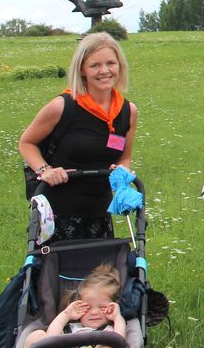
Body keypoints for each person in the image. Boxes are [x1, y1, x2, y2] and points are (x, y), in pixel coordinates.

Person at [19, 32, 138, 241]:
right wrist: (45, 170)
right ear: (82, 69)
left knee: (102, 263)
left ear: (119, 66)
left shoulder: (128, 111)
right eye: (95, 65)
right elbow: (27, 143)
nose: (104, 71)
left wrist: (122, 169)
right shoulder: (63, 106)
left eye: (111, 63)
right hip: (58, 212)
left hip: (100, 211)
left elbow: (124, 157)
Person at [22, 263, 127, 348]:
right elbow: (49, 339)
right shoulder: (71, 327)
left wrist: (117, 317)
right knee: (37, 337)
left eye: (102, 307)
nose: (94, 312)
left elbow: (120, 343)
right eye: (88, 307)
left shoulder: (109, 331)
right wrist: (66, 314)